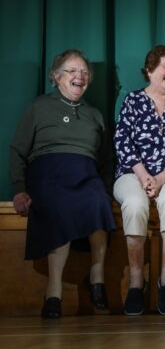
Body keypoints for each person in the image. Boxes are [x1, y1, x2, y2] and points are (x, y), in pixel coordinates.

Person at [9, 49, 116, 319]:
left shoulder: (95, 115)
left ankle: (98, 276)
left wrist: (106, 186)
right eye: (72, 71)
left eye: (84, 72)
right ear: (56, 77)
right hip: (49, 174)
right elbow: (18, 150)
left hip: (86, 174)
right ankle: (53, 291)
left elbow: (105, 159)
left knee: (99, 201)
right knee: (62, 204)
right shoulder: (39, 107)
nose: (80, 76)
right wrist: (20, 189)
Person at [113, 45, 165, 315]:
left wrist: (161, 178)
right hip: (132, 172)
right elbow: (122, 142)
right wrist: (145, 176)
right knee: (135, 205)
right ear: (150, 70)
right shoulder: (132, 100)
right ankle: (137, 283)